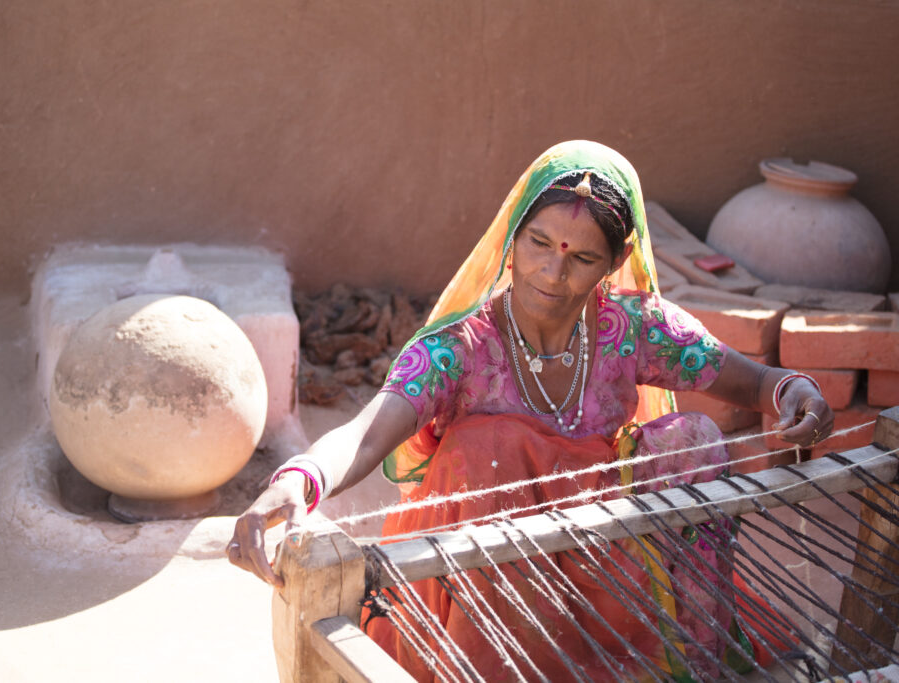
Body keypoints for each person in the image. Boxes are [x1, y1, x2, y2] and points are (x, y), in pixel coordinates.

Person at [229, 140, 833, 680]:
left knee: (693, 437)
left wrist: (794, 391)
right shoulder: (462, 349)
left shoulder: (635, 330)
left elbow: (757, 384)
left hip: (603, 549)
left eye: (582, 258)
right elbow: (366, 432)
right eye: (539, 243)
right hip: (483, 564)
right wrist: (297, 481)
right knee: (484, 448)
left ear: (616, 262)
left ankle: (688, 659)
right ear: (512, 238)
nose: (553, 270)